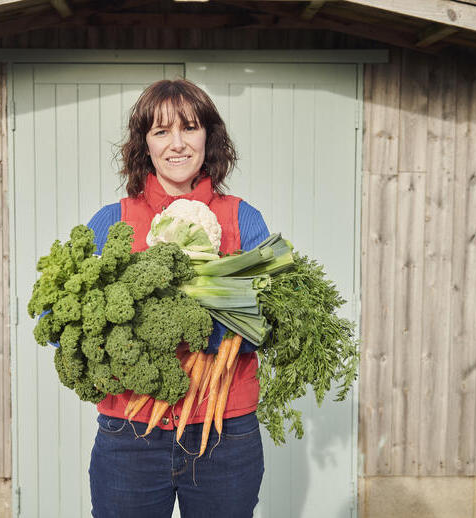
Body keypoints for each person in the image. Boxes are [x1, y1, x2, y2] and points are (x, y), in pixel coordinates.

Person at [87, 78, 269, 518]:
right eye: (161, 131)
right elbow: (71, 323)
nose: (177, 144)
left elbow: (271, 318)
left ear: (209, 136)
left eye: (189, 128)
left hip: (225, 433)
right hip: (129, 432)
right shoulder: (113, 221)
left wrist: (201, 331)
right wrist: (128, 342)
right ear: (144, 145)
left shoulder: (243, 219)